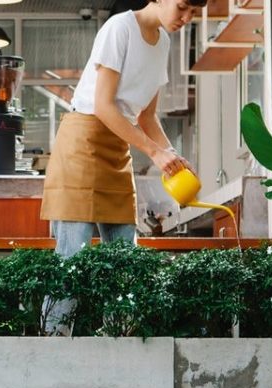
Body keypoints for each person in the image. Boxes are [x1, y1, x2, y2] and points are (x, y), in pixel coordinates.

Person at [38, 0, 205, 335]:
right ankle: (50, 352)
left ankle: (119, 349)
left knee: (123, 264)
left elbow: (145, 116)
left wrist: (170, 154)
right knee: (73, 262)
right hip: (82, 142)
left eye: (193, 13)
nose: (186, 18)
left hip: (117, 147)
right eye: (183, 7)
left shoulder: (165, 42)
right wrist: (154, 153)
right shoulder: (119, 28)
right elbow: (103, 105)